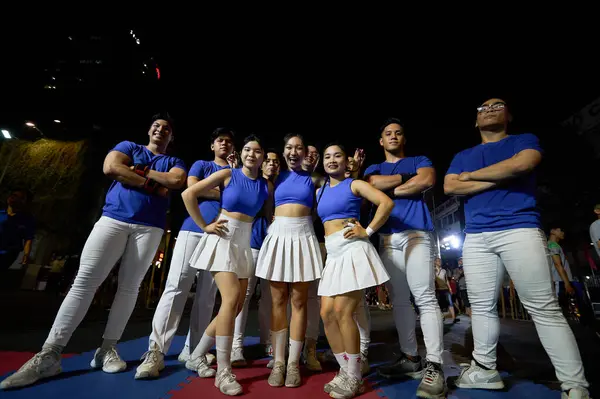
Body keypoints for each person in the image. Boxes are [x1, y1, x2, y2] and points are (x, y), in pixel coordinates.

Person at [1, 113, 187, 390]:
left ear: (171, 138)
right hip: (113, 218)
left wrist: (136, 171)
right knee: (84, 282)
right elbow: (111, 168)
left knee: (129, 287)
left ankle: (106, 349)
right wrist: (151, 182)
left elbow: (175, 182)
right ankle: (50, 353)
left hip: (150, 227)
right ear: (149, 130)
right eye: (156, 126)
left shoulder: (174, 161)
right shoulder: (128, 147)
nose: (160, 130)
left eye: (167, 129)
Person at [444, 98, 589, 398]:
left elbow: (524, 164)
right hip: (477, 237)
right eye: (482, 108)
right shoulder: (463, 154)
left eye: (498, 105)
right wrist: (501, 175)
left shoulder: (524, 140)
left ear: (509, 115)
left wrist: (471, 177)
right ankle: (484, 370)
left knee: (544, 308)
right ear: (475, 121)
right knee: (482, 307)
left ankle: (575, 385)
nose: (490, 109)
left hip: (519, 228)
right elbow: (450, 187)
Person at [135, 127, 235, 379]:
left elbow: (236, 200)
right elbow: (191, 190)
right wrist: (220, 191)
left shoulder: (237, 173)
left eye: (229, 142)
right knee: (176, 286)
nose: (224, 144)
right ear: (212, 145)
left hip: (222, 234)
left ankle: (194, 352)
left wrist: (214, 189)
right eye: (219, 140)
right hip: (194, 229)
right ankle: (156, 351)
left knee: (207, 296)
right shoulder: (201, 165)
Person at [183, 135, 271, 396]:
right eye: (247, 150)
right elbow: (189, 194)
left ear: (263, 156)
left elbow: (269, 217)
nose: (251, 154)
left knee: (233, 307)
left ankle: (197, 355)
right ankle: (223, 371)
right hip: (222, 237)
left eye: (257, 151)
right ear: (241, 153)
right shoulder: (227, 174)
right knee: (231, 299)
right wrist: (204, 226)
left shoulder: (267, 186)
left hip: (244, 243)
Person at [365, 118, 446, 398]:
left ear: (404, 138)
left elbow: (428, 179)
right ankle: (411, 359)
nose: (393, 136)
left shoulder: (419, 159)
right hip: (388, 237)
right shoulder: (373, 168)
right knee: (399, 299)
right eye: (388, 133)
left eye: (398, 133)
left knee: (424, 296)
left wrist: (386, 190)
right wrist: (406, 180)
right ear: (381, 140)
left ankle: (435, 365)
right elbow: (371, 184)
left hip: (417, 233)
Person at [317, 143, 393, 398]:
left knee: (342, 312)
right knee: (326, 314)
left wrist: (367, 231)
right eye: (327, 156)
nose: (331, 159)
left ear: (346, 161)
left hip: (352, 248)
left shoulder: (355, 184)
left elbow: (385, 202)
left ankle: (354, 377)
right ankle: (347, 370)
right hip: (333, 252)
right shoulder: (320, 191)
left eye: (337, 155)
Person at [255, 133, 323, 388]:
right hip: (278, 236)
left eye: (299, 148)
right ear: (284, 152)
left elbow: (327, 203)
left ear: (306, 152)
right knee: (277, 300)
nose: (294, 151)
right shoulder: (274, 177)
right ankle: (280, 361)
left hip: (303, 235)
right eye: (289, 148)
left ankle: (294, 363)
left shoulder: (315, 178)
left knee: (299, 301)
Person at [231, 149, 280, 367]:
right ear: (261, 164)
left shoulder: (280, 187)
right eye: (268, 161)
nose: (272, 164)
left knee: (270, 298)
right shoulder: (253, 183)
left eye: (276, 162)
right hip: (249, 243)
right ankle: (235, 346)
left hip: (271, 246)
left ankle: (268, 341)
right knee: (244, 294)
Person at [301, 144, 325, 371]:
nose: (311, 157)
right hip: (291, 240)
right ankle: (289, 347)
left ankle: (310, 348)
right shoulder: (286, 177)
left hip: (317, 241)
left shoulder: (321, 181)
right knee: (291, 296)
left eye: (315, 154)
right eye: (307, 153)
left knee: (312, 297)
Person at [0, 189, 35, 273]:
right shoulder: (1, 213)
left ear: (23, 201)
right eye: (12, 195)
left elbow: (28, 239)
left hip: (8, 254)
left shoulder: (27, 219)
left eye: (17, 196)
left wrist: (26, 255)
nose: (13, 197)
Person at [548, 227, 575, 299]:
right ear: (552, 231)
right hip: (559, 281)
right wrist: (567, 283)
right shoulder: (552, 245)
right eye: (561, 230)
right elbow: (557, 264)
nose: (563, 233)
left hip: (561, 281)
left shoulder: (555, 245)